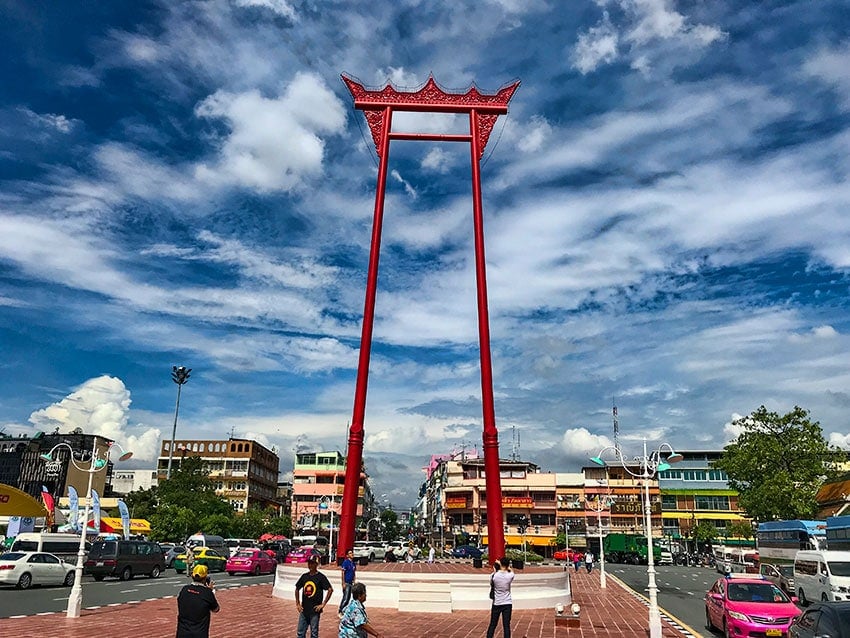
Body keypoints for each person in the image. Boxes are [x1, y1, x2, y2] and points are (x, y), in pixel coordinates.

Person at [176, 564, 220, 638]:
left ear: (192, 576)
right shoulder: (207, 593)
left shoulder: (184, 589)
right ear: (205, 578)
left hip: (182, 633)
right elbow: (216, 609)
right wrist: (210, 591)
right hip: (199, 633)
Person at [295, 555, 334, 638]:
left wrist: (323, 604)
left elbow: (330, 589)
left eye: (312, 563)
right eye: (309, 563)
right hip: (304, 609)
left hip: (315, 610)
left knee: (314, 633)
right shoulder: (304, 576)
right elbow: (297, 588)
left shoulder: (321, 577)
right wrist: (298, 603)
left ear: (316, 564)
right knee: (300, 632)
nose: (310, 565)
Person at [486, 557, 514, 638]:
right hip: (507, 603)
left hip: (497, 603)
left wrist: (497, 567)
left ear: (500, 564)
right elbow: (511, 571)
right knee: (506, 625)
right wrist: (507, 566)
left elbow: (491, 581)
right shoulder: (510, 576)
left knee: (493, 624)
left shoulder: (494, 576)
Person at [338, 548, 357, 616]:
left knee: (349, 598)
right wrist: (343, 583)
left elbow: (354, 573)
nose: (352, 554)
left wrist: (354, 581)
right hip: (346, 582)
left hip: (351, 582)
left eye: (352, 553)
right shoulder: (346, 562)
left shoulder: (353, 563)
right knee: (345, 598)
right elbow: (343, 572)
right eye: (350, 553)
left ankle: (344, 610)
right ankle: (340, 610)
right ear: (347, 555)